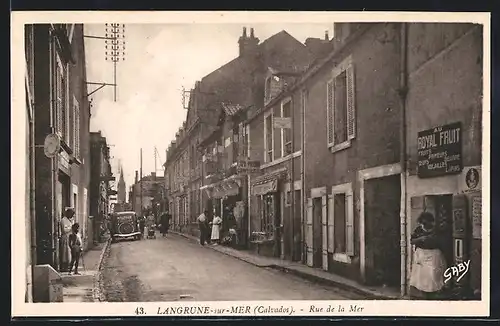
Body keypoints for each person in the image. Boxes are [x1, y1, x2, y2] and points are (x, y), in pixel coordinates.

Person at [409, 212, 448, 300]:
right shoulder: (419, 230)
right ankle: (424, 294)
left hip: (434, 254)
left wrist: (432, 239)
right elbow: (412, 241)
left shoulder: (437, 230)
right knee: (422, 276)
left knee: (433, 274)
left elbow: (442, 242)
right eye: (423, 223)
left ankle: (433, 293)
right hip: (421, 254)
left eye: (427, 222)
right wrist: (420, 239)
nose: (425, 225)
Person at [60, 208, 75, 272]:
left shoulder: (69, 220)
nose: (72, 216)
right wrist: (71, 228)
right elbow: (64, 230)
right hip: (65, 238)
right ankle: (64, 267)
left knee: (68, 253)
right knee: (65, 253)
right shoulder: (63, 220)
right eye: (71, 214)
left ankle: (67, 266)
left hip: (69, 238)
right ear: (68, 213)